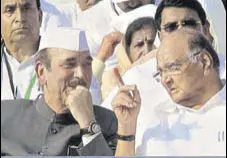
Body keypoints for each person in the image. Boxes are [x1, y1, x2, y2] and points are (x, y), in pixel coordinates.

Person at [1, 28, 117, 156]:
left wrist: (88, 123)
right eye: (69, 65)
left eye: (87, 64)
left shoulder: (108, 123)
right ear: (41, 72)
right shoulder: (6, 115)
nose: (81, 75)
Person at [113, 30, 226, 156]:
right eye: (160, 73)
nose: (164, 80)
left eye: (172, 68)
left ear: (204, 61)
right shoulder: (158, 120)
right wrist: (127, 127)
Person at [154, 0, 226, 78]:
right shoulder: (147, 84)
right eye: (171, 27)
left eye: (189, 24)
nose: (181, 32)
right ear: (159, 36)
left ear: (205, 29)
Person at [101, 17, 158, 99]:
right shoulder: (113, 76)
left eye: (151, 42)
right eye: (139, 45)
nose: (147, 51)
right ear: (127, 51)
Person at [1, 0, 42, 100]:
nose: (20, 18)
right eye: (10, 10)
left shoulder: (62, 62)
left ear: (40, 17)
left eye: (26, 8)